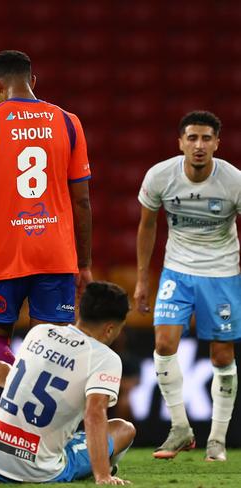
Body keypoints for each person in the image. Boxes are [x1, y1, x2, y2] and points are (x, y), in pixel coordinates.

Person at [0, 50, 92, 367]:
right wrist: (84, 263)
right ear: (33, 81)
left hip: (8, 254)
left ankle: (8, 395)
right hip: (56, 254)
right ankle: (33, 399)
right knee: (50, 351)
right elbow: (82, 200)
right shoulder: (69, 122)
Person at [134, 111, 240, 462]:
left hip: (222, 272)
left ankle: (217, 439)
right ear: (180, 142)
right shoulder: (161, 175)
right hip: (176, 271)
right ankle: (180, 428)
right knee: (164, 344)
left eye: (206, 138)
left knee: (222, 356)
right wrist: (141, 280)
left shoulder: (233, 181)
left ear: (217, 143)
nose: (199, 145)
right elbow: (147, 226)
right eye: (192, 138)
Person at [0, 282, 135, 485]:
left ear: (80, 310)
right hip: (38, 470)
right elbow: (95, 413)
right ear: (110, 329)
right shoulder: (106, 358)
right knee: (124, 429)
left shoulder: (39, 332)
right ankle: (106, 467)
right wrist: (103, 476)